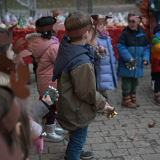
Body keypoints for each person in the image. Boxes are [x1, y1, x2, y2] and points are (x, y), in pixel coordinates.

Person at [52, 11, 114, 160]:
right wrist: (103, 103)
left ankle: (73, 150)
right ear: (86, 34)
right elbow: (87, 92)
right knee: (79, 135)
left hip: (69, 103)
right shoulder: (82, 63)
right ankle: (73, 155)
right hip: (77, 108)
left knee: (76, 134)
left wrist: (91, 49)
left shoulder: (67, 44)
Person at [25, 16, 64, 142]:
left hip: (44, 80)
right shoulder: (52, 46)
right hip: (52, 81)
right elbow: (60, 63)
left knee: (50, 104)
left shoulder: (38, 43)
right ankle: (49, 130)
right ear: (51, 30)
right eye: (56, 25)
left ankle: (52, 125)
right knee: (51, 106)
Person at [117, 10, 150, 108]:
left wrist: (145, 58)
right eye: (129, 21)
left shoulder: (143, 35)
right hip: (127, 65)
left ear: (139, 21)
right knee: (126, 82)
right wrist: (129, 58)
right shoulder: (125, 34)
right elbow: (120, 46)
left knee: (135, 82)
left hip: (138, 64)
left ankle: (132, 96)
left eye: (134, 21)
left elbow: (146, 48)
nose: (131, 24)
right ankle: (125, 98)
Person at [91, 14, 118, 100]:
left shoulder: (107, 37)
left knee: (104, 86)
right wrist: (98, 51)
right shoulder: (95, 38)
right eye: (100, 25)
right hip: (99, 67)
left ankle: (103, 101)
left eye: (104, 25)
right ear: (95, 26)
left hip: (107, 67)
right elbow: (93, 52)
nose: (103, 27)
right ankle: (100, 102)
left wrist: (113, 61)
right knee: (99, 85)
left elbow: (110, 52)